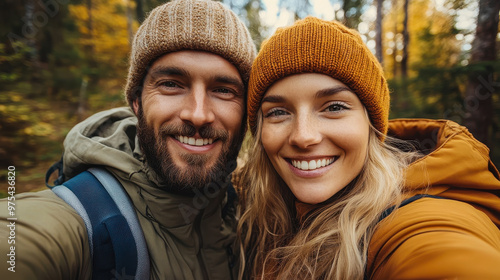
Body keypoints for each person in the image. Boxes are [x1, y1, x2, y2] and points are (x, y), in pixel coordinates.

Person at [0, 0, 256, 279]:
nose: (197, 114)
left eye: (223, 90)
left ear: (246, 112)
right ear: (136, 101)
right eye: (171, 84)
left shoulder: (251, 211)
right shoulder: (82, 219)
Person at [237, 16, 500, 279]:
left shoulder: (419, 221)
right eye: (279, 112)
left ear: (371, 125)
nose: (303, 137)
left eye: (334, 107)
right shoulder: (250, 210)